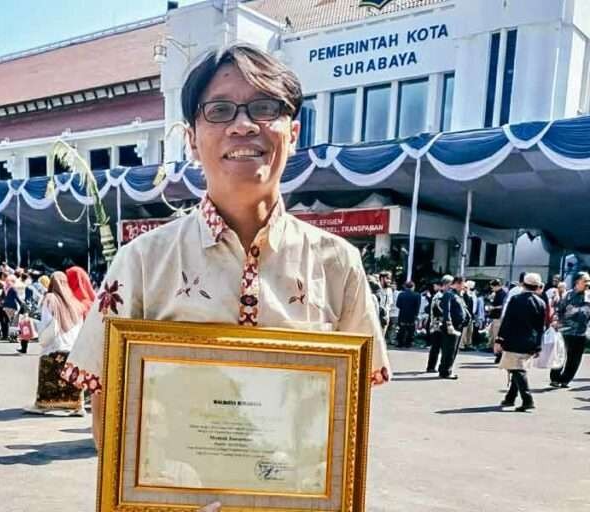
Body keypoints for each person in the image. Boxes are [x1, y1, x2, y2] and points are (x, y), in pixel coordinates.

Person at [64, 44, 390, 451]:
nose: (243, 126)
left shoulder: (338, 263)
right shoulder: (143, 261)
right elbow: (106, 398)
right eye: (219, 111)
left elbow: (350, 408)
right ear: (193, 141)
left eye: (264, 108)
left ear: (293, 132)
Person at [30, 271, 86, 414]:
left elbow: (46, 322)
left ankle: (44, 404)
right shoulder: (75, 302)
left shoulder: (50, 299)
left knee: (47, 373)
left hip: (55, 347)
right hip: (73, 347)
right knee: (72, 378)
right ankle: (77, 405)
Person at [495, 273, 546, 411]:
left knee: (517, 369)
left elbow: (507, 321)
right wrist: (538, 345)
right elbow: (541, 327)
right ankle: (510, 397)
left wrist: (499, 339)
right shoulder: (541, 302)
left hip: (514, 339)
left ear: (523, 284)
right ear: (537, 287)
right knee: (517, 368)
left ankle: (527, 399)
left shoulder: (516, 299)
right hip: (531, 341)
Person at [550, 271, 590, 388]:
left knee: (574, 359)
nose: (588, 283)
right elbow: (559, 310)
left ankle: (565, 380)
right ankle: (555, 378)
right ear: (577, 281)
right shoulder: (568, 295)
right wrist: (556, 320)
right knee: (560, 355)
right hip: (565, 331)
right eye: (585, 281)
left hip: (581, 333)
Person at [438, 276, 470, 379]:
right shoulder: (449, 294)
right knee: (449, 349)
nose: (463, 286)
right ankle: (446, 371)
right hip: (452, 326)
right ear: (456, 283)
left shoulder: (458, 295)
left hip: (459, 325)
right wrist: (449, 324)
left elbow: (465, 308)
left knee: (454, 349)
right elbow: (446, 311)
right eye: (462, 283)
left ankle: (446, 369)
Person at [426, 276, 452, 373]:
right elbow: (441, 310)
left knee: (437, 347)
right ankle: (431, 367)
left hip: (438, 324)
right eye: (450, 284)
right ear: (445, 285)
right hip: (437, 325)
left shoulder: (441, 295)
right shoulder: (439, 296)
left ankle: (432, 366)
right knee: (436, 347)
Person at [395, 281, 421, 348]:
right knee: (410, 330)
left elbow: (398, 304)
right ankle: (408, 343)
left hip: (402, 314)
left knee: (401, 329)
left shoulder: (401, 294)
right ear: (413, 287)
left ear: (406, 287)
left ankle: (400, 343)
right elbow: (417, 306)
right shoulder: (417, 295)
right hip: (412, 315)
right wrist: (416, 314)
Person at [488, 279, 508, 363]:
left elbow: (502, 305)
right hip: (496, 317)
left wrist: (493, 307)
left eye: (493, 287)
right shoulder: (498, 293)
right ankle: (497, 353)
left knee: (497, 336)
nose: (492, 288)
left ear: (497, 286)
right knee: (493, 334)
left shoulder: (502, 293)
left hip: (498, 317)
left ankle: (499, 354)